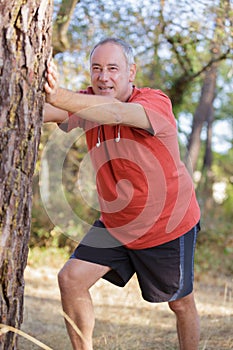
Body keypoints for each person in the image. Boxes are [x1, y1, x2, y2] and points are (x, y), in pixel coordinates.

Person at [44, 37, 201, 350]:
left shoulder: (155, 103)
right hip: (116, 224)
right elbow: (41, 112)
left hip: (167, 224)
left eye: (113, 68)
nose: (104, 77)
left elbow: (116, 113)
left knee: (180, 304)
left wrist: (59, 94)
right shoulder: (87, 102)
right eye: (97, 68)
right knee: (70, 279)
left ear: (131, 72)